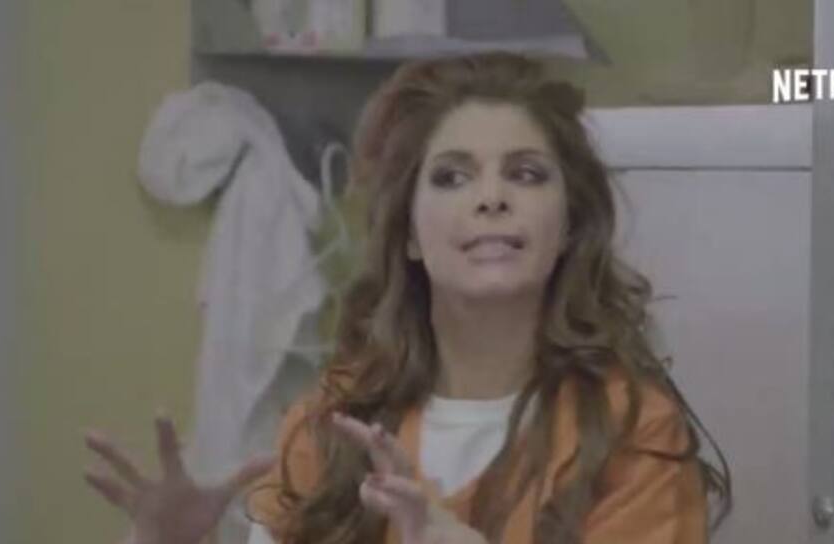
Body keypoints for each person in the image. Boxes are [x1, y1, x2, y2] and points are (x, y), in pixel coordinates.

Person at [83, 51, 730, 544]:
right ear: (411, 235)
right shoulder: (331, 424)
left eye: (525, 173)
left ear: (567, 225)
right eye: (452, 177)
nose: (491, 197)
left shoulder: (630, 430)